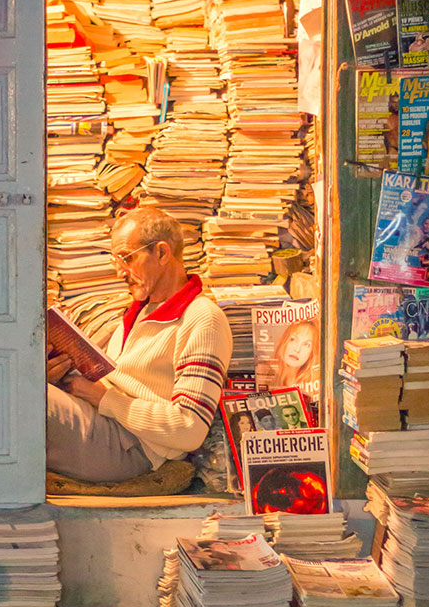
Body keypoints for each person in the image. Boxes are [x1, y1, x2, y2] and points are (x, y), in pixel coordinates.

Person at [46, 206, 233, 483]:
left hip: (133, 448)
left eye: (127, 258)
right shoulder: (135, 313)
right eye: (116, 261)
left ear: (161, 252)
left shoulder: (203, 318)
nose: (120, 272)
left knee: (28, 403)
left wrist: (101, 397)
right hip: (106, 426)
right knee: (18, 393)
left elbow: (189, 429)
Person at [271, 318, 319, 394]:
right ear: (284, 341)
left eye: (306, 345)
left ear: (312, 353)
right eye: (293, 339)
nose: (297, 349)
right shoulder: (267, 371)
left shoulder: (313, 383)